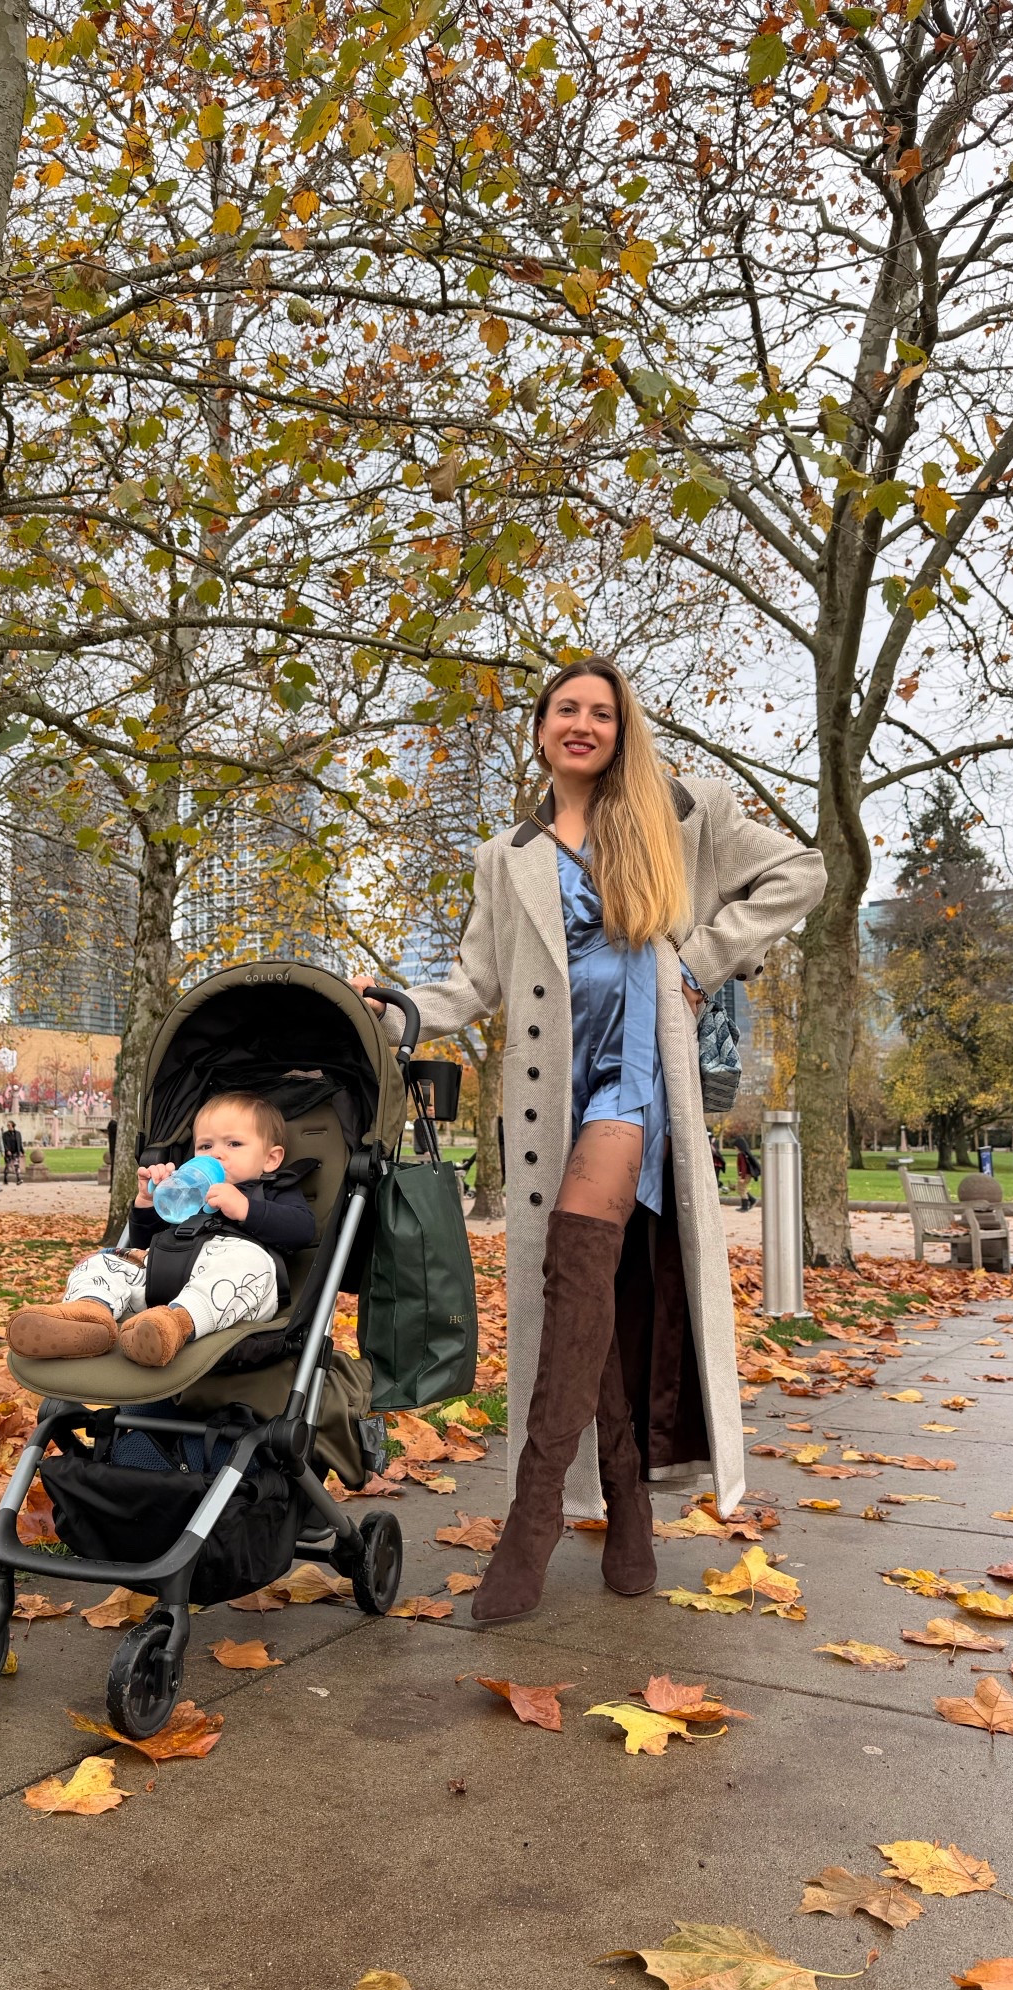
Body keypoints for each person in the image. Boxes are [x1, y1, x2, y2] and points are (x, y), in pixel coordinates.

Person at [356, 655, 826, 1623]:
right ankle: (629, 1506)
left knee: (579, 1261)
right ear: (540, 730)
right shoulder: (506, 855)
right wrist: (400, 1010)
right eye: (565, 708)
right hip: (545, 1103)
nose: (583, 723)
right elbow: (473, 981)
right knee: (594, 1287)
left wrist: (698, 959)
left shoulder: (676, 813)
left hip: (635, 1083)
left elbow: (801, 870)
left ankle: (528, 1521)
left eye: (600, 711)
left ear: (621, 728)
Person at [6, 1092, 315, 1368]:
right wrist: (146, 1203)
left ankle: (173, 1325)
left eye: (234, 1144)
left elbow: (302, 1231)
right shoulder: (189, 1190)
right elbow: (146, 1243)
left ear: (270, 1158)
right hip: (166, 1277)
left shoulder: (272, 1192)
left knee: (252, 1264)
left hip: (231, 1292)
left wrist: (247, 1209)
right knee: (107, 1259)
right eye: (205, 1145)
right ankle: (89, 1314)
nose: (216, 1154)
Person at [735, 1134, 760, 1213]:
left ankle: (745, 1206)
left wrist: (742, 1177)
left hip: (745, 1175)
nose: (734, 1148)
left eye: (735, 1146)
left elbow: (743, 1167)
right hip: (745, 1175)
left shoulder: (741, 1155)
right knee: (740, 1189)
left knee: (741, 1190)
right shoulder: (743, 1154)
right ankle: (752, 1200)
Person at [2, 1118, 25, 1186]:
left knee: (16, 1166)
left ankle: (18, 1179)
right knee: (8, 1166)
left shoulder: (18, 1133)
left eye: (9, 1125)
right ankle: (5, 1179)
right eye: (7, 1125)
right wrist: (7, 1150)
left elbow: (19, 1143)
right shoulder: (5, 1134)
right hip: (8, 1153)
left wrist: (22, 1152)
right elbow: (4, 1143)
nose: (8, 1126)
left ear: (13, 1125)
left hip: (15, 1152)